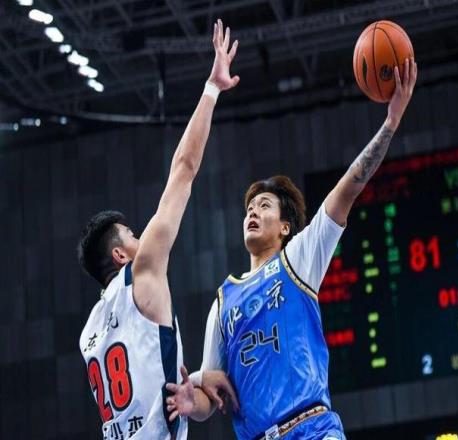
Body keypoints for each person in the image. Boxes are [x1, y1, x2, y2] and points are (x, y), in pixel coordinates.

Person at [166, 59, 418, 439]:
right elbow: (210, 395)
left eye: (264, 206)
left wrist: (390, 123)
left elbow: (348, 189)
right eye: (249, 209)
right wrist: (192, 400)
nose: (252, 212)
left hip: (313, 428)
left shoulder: (298, 259)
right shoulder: (222, 301)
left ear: (285, 227)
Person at [78, 20, 240, 440]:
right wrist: (212, 88)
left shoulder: (89, 333)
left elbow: (145, 381)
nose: (141, 239)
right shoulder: (143, 272)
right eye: (132, 235)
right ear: (119, 255)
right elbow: (184, 169)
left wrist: (198, 376)